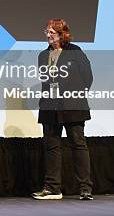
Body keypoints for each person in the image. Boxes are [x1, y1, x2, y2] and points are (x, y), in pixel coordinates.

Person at [32, 19, 94, 201]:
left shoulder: (75, 52)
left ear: (62, 34)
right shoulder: (43, 55)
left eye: (52, 32)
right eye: (47, 31)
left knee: (78, 144)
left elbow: (87, 76)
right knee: (51, 146)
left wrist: (76, 95)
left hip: (73, 105)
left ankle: (85, 188)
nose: (48, 35)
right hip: (50, 106)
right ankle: (52, 188)